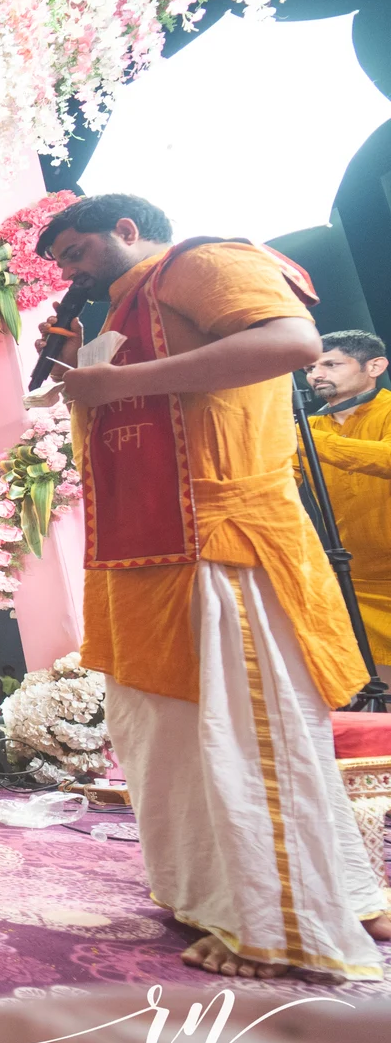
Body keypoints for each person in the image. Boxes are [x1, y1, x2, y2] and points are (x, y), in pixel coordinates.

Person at [40, 192, 387, 979]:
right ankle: (234, 895)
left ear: (127, 230)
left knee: (248, 735)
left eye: (76, 252)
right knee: (169, 738)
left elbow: (293, 341)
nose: (71, 273)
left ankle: (288, 930)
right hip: (148, 555)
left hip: (220, 540)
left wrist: (124, 382)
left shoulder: (203, 261)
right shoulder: (124, 312)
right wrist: (82, 369)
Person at [305, 329, 391, 680]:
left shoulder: (307, 433)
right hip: (355, 578)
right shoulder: (307, 428)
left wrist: (309, 440)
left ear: (374, 366)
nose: (316, 375)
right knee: (377, 691)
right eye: (310, 368)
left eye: (331, 364)